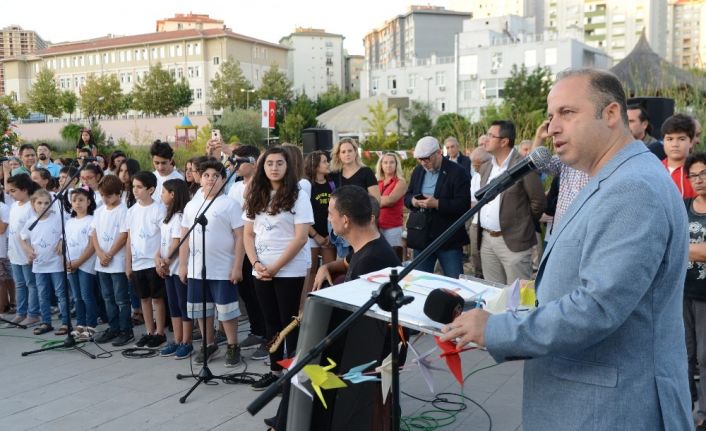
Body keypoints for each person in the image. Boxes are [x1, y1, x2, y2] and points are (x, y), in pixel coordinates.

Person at [442, 68, 692, 430]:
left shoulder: (632, 188)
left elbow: (597, 307)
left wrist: (496, 329)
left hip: (610, 408)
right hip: (588, 400)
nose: (552, 127)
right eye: (550, 115)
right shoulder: (609, 179)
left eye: (567, 113)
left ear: (610, 114)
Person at [243, 147, 313, 390]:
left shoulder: (298, 195)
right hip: (260, 270)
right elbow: (248, 234)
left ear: (288, 167)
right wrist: (256, 263)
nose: (274, 167)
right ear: (263, 167)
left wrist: (274, 267)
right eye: (269, 163)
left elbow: (301, 237)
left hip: (288, 270)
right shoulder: (256, 193)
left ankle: (292, 374)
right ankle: (275, 372)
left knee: (289, 323)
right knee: (270, 323)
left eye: (279, 163)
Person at [178, 159, 244, 368]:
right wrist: (182, 265)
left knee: (226, 309)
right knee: (201, 309)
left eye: (215, 176)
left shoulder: (230, 204)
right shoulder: (192, 205)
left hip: (223, 267)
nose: (209, 179)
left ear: (223, 180)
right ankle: (209, 343)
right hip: (197, 268)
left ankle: (233, 345)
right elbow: (184, 237)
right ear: (199, 179)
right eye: (205, 175)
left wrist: (237, 266)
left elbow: (240, 237)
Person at [474, 120, 546, 284]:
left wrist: (523, 224)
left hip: (514, 242)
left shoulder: (522, 165)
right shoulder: (486, 167)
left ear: (504, 141)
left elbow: (538, 201)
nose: (486, 139)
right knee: (494, 294)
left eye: (491, 135)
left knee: (517, 298)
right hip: (486, 240)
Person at [404, 136, 470, 279]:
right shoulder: (418, 171)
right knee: (419, 281)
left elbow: (464, 204)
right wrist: (414, 201)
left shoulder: (457, 172)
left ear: (439, 152)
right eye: (420, 159)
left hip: (448, 237)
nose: (423, 163)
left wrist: (437, 204)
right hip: (422, 237)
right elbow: (407, 196)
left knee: (454, 282)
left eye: (426, 159)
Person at [227, 145, 268, 360]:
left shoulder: (262, 185)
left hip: (256, 244)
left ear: (253, 162)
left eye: (239, 161)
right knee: (247, 293)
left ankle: (269, 337)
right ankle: (256, 329)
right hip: (239, 244)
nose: (235, 165)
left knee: (260, 293)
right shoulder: (233, 187)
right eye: (233, 161)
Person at [125, 171, 168, 349]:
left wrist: (160, 259)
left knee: (157, 298)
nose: (135, 190)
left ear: (150, 189)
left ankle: (160, 332)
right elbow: (129, 238)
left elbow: (163, 236)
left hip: (153, 261)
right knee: (144, 298)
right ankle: (149, 331)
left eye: (139, 187)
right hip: (138, 262)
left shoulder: (159, 209)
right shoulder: (131, 211)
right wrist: (128, 263)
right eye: (133, 186)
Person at [91, 175, 133, 347]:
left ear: (118, 193)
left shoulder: (124, 211)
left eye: (109, 195)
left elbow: (124, 235)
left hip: (117, 262)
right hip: (102, 262)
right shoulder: (99, 211)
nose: (106, 199)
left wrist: (109, 254)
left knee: (121, 298)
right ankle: (113, 327)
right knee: (107, 297)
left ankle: (125, 330)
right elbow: (93, 233)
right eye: (103, 195)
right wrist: (100, 253)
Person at [156, 179, 194, 360]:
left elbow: (177, 242)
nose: (161, 195)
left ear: (172, 194)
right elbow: (162, 241)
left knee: (182, 304)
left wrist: (166, 260)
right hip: (167, 267)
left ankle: (187, 341)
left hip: (177, 267)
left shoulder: (180, 216)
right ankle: (177, 339)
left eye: (163, 192)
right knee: (173, 304)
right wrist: (158, 259)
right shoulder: (167, 216)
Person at [20, 189, 66, 335]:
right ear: (33, 204)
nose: (43, 206)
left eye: (47, 203)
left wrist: (61, 241)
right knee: (42, 293)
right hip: (39, 265)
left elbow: (66, 231)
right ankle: (46, 322)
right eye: (39, 203)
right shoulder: (31, 222)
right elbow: (22, 237)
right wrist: (28, 250)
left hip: (56, 263)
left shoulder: (57, 219)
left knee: (61, 293)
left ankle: (65, 322)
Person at [683, 152, 706, 429]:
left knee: (705, 355)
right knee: (684, 353)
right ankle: (683, 403)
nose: (699, 180)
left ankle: (704, 412)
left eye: (704, 173)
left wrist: (682, 249)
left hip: (704, 296)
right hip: (682, 291)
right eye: (694, 175)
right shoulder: (683, 205)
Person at [5, 174, 40, 327]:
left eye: (13, 191)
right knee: (19, 284)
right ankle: (21, 312)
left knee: (30, 283)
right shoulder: (14, 206)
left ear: (24, 190)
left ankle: (33, 314)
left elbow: (33, 232)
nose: (10, 194)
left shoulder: (30, 207)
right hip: (14, 252)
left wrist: (31, 250)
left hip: (26, 253)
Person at [64, 187, 99, 341]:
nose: (77, 203)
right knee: (77, 297)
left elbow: (91, 246)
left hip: (85, 264)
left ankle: (91, 325)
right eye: (74, 200)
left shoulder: (92, 220)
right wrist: (67, 261)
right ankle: (80, 323)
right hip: (71, 264)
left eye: (81, 200)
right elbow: (65, 244)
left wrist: (79, 262)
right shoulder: (69, 222)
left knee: (86, 295)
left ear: (89, 202)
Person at [303, 150, 337, 293]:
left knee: (330, 271)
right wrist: (316, 235)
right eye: (324, 161)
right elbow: (303, 215)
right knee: (310, 272)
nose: (327, 163)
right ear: (315, 165)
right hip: (311, 235)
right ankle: (304, 307)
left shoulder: (332, 184)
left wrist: (331, 234)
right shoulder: (307, 185)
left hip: (328, 235)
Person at [375, 152, 407, 260]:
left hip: (393, 227)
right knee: (380, 258)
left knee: (394, 258)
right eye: (385, 162)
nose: (388, 165)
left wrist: (375, 200)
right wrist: (382, 199)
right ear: (381, 165)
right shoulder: (378, 182)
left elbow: (390, 200)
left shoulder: (400, 182)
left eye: (392, 162)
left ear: (396, 165)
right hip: (376, 226)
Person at [330, 138, 380, 202]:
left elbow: (376, 200)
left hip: (363, 211)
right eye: (343, 152)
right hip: (340, 211)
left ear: (355, 152)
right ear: (339, 155)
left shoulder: (367, 172)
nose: (347, 154)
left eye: (350, 151)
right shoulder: (334, 174)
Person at [661, 113, 697, 199]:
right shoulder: (655, 169)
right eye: (670, 139)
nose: (675, 144)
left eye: (681, 139)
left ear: (691, 142)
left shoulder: (699, 171)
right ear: (663, 141)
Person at [469, 146, 491, 278]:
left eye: (477, 165)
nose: (475, 168)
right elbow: (472, 202)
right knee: (475, 253)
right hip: (476, 221)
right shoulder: (475, 178)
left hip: (490, 224)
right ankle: (479, 276)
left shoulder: (494, 176)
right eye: (473, 165)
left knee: (488, 255)